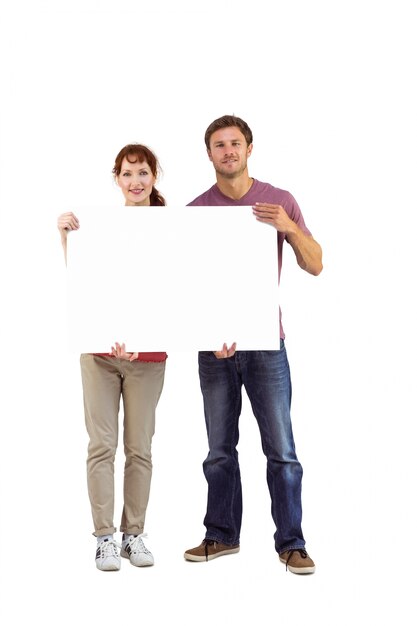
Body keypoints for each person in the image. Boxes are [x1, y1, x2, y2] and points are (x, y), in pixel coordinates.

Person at [183, 116, 323, 575]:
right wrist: (205, 331)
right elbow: (185, 287)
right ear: (209, 154)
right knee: (219, 449)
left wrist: (289, 227)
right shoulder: (195, 211)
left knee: (281, 448)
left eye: (235, 143)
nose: (228, 151)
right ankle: (221, 535)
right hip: (215, 348)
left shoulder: (279, 201)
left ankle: (292, 543)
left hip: (266, 343)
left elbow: (316, 264)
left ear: (249, 148)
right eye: (219, 145)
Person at [57, 144, 167, 571]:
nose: (135, 181)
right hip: (100, 354)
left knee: (139, 448)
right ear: (117, 179)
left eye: (142, 172)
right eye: (127, 173)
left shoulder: (170, 226)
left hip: (149, 356)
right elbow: (86, 283)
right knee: (101, 445)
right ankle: (104, 537)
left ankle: (133, 534)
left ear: (154, 176)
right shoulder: (100, 226)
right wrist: (67, 237)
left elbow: (175, 292)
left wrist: (144, 335)